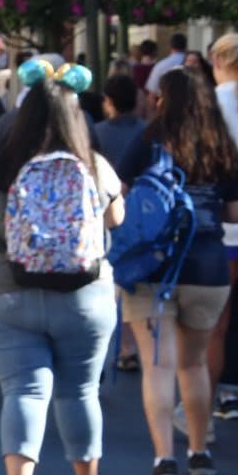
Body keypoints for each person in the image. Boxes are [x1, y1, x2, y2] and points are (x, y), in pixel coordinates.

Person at [0, 68, 123, 475]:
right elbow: (116, 219)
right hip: (85, 293)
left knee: (24, 391)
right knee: (80, 391)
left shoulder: (0, 166)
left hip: (6, 292)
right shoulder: (93, 165)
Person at [116, 68, 238, 475]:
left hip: (152, 267)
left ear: (162, 99)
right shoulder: (219, 144)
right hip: (208, 266)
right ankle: (199, 450)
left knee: (159, 366)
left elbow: (120, 193)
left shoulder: (150, 140)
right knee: (194, 365)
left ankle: (163, 459)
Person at [206, 33, 238, 442]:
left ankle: (203, 421)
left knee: (212, 329)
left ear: (219, 60)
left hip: (222, 222)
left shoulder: (214, 102)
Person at [96, 73, 147, 373]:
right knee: (136, 280)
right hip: (145, 214)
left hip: (109, 211)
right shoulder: (147, 131)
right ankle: (134, 344)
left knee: (114, 281)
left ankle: (124, 346)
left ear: (109, 101)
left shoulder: (99, 133)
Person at [144, 32, 188, 100]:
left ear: (170, 46)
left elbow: (152, 95)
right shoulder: (196, 65)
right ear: (185, 45)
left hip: (166, 104)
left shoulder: (160, 66)